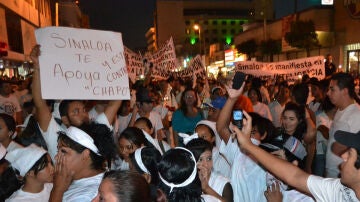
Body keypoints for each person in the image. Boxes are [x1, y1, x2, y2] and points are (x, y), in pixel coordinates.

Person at [233, 110, 360, 201]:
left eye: (349, 154)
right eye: (285, 117)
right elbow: (294, 175)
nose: (343, 156)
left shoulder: (295, 141)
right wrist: (249, 145)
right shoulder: (337, 189)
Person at [30, 45, 121, 162]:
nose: (83, 114)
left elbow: (114, 104)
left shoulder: (98, 128)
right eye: (76, 112)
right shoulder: (57, 137)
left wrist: (118, 68)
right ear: (65, 119)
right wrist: (37, 67)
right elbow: (40, 104)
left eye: (84, 110)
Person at [49, 123, 117, 201]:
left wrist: (57, 190)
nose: (56, 157)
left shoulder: (90, 196)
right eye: (58, 151)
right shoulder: (69, 177)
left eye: (64, 151)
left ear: (85, 154)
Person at [325, 72, 360, 177]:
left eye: (332, 89)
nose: (328, 93)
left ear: (344, 91)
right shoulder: (340, 110)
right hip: (331, 173)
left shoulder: (356, 115)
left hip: (342, 177)